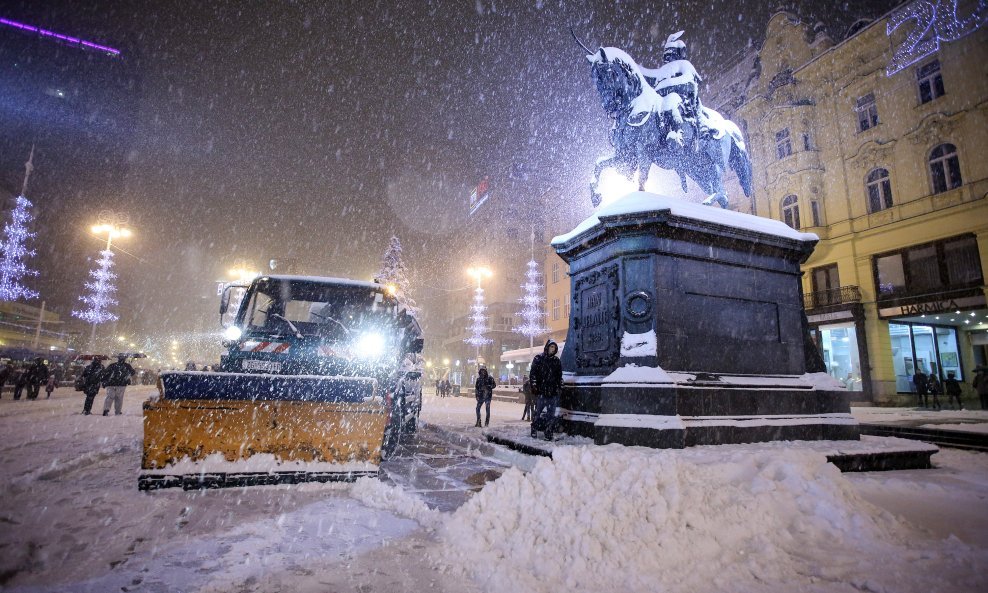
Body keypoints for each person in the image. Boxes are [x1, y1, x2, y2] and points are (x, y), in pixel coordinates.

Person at [530, 339, 563, 441]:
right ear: (547, 347)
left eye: (554, 347)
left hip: (552, 392)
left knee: (551, 415)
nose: (552, 349)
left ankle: (548, 432)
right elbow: (533, 373)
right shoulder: (538, 358)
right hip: (541, 391)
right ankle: (534, 428)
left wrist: (559, 386)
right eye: (551, 347)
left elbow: (559, 376)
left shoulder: (556, 361)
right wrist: (534, 385)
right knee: (537, 412)